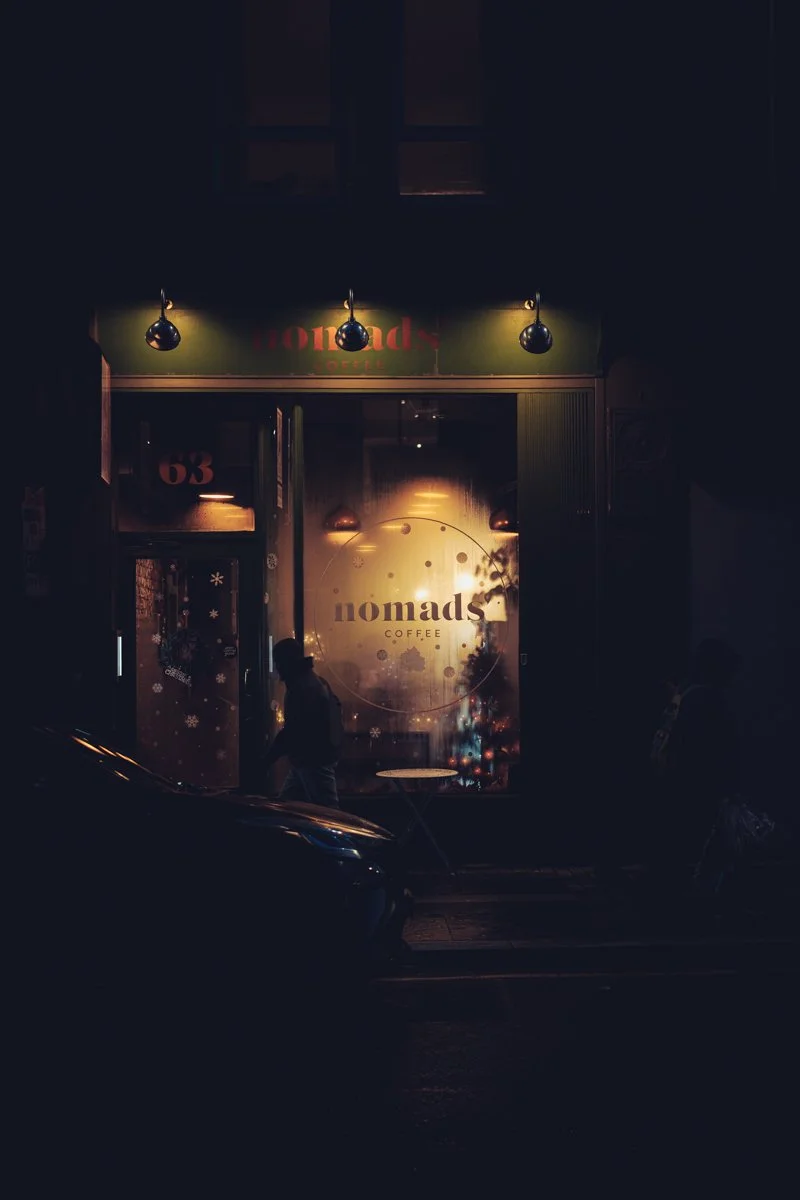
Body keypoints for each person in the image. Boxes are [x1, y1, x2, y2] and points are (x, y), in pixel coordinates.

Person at [649, 638, 743, 897]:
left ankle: (677, 897)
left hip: (681, 782)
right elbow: (714, 748)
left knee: (682, 847)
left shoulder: (687, 695)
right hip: (700, 786)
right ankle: (690, 901)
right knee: (703, 847)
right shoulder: (708, 700)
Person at [263, 638, 343, 808]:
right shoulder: (313, 682)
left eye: (278, 662)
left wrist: (267, 760)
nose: (277, 667)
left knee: (328, 813)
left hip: (312, 759)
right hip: (311, 758)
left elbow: (293, 730)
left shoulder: (302, 687)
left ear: (287, 661)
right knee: (288, 806)